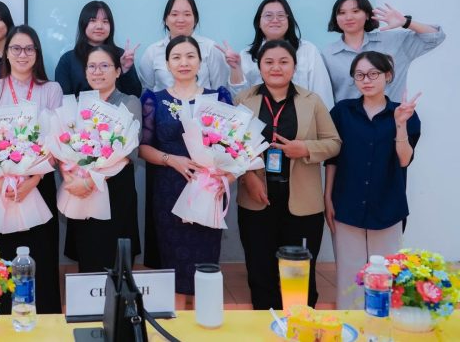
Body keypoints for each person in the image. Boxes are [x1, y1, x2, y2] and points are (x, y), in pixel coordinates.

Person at [235, 40, 341, 310]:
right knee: (260, 272)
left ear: (294, 67)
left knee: (299, 273)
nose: (276, 67)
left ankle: (300, 324)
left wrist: (305, 148)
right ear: (259, 66)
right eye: (269, 62)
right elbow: (230, 147)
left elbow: (333, 143)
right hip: (257, 198)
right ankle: (264, 324)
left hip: (302, 203)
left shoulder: (311, 101)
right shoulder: (243, 100)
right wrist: (248, 177)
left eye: (284, 62)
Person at [138, 36, 234, 303]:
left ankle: (204, 319)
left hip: (210, 190)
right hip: (169, 191)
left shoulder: (218, 98)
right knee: (174, 268)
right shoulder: (153, 100)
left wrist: (226, 179)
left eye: (190, 56)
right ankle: (178, 319)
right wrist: (171, 159)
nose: (184, 62)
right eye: (176, 57)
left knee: (206, 266)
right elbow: (143, 148)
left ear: (200, 62)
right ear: (167, 64)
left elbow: (234, 146)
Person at [0, 25, 62, 313]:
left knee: (42, 258)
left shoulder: (51, 89)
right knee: (1, 262)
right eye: (16, 48)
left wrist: (33, 180)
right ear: (6, 53)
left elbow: (56, 141)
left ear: (37, 53)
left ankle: (45, 322)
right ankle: (3, 320)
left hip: (38, 183)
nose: (22, 54)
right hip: (0, 187)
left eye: (28, 49)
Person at [325, 52, 421, 309]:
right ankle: (350, 327)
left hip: (388, 205)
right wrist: (327, 197)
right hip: (346, 203)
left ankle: (381, 326)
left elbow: (404, 159)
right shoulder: (342, 112)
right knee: (349, 278)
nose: (366, 80)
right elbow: (332, 159)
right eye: (359, 75)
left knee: (385, 277)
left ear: (387, 76)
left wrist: (400, 124)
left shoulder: (403, 113)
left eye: (373, 74)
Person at [62, 45, 141, 273]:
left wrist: (90, 181)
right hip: (82, 191)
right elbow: (64, 145)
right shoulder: (77, 104)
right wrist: (70, 179)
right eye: (92, 66)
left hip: (115, 188)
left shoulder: (129, 102)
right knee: (88, 256)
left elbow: (127, 153)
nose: (97, 72)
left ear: (117, 71)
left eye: (104, 66)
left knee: (116, 258)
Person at [322, 0, 445, 102]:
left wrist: (405, 22)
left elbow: (436, 37)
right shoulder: (328, 55)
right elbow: (323, 94)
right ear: (336, 18)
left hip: (393, 118)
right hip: (347, 120)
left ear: (367, 15)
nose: (348, 17)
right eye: (342, 13)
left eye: (355, 11)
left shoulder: (393, 42)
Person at [218, 0, 333, 109]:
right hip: (258, 117)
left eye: (281, 15)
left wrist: (323, 117)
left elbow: (322, 91)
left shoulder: (308, 50)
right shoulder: (246, 55)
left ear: (289, 20)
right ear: (259, 22)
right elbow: (240, 100)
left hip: (302, 116)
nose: (275, 20)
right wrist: (235, 68)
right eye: (268, 15)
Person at [138, 0, 229, 91]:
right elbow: (146, 90)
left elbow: (220, 88)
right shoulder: (152, 52)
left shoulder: (210, 48)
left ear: (195, 19)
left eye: (187, 14)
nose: (181, 20)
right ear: (166, 20)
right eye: (174, 14)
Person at [55, 0, 142, 98]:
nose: (99, 26)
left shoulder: (121, 55)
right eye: (93, 20)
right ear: (83, 24)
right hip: (79, 108)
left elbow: (135, 95)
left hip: (117, 108)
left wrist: (126, 70)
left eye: (105, 21)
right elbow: (63, 99)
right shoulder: (68, 60)